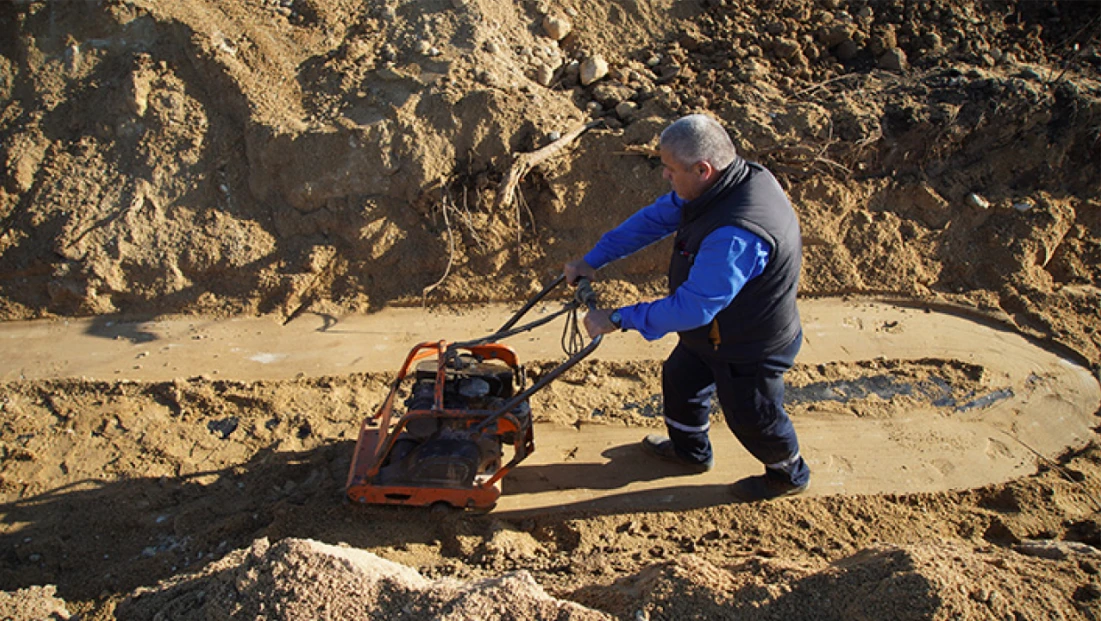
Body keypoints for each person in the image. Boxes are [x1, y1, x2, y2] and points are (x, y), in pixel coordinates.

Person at [564, 113, 810, 501]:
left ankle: (788, 474)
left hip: (749, 344)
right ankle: (690, 452)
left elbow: (692, 308)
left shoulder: (737, 233)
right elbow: (655, 219)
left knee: (752, 416)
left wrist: (617, 318)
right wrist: (593, 260)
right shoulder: (721, 186)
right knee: (681, 381)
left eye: (670, 169)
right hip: (711, 333)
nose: (665, 175)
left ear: (702, 169)